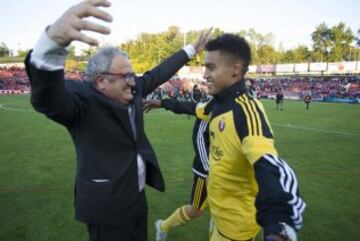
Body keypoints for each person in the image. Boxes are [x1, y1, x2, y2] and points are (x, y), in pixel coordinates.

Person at [24, 1, 212, 241]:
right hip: (106, 209)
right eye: (124, 76)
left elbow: (158, 73)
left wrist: (190, 50)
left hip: (136, 198)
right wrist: (51, 44)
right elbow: (48, 99)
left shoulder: (132, 91)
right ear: (101, 81)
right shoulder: (83, 103)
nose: (132, 82)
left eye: (132, 75)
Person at [197, 34, 306, 241]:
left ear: (235, 69)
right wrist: (163, 104)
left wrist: (278, 222)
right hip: (220, 221)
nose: (204, 74)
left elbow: (268, 163)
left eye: (210, 67)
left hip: (236, 231)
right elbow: (195, 109)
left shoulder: (246, 110)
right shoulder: (218, 103)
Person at [143, 98, 214, 241]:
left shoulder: (243, 106)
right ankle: (163, 226)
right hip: (205, 173)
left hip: (228, 171)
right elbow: (198, 136)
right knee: (196, 210)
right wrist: (208, 171)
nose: (207, 76)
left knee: (223, 209)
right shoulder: (211, 108)